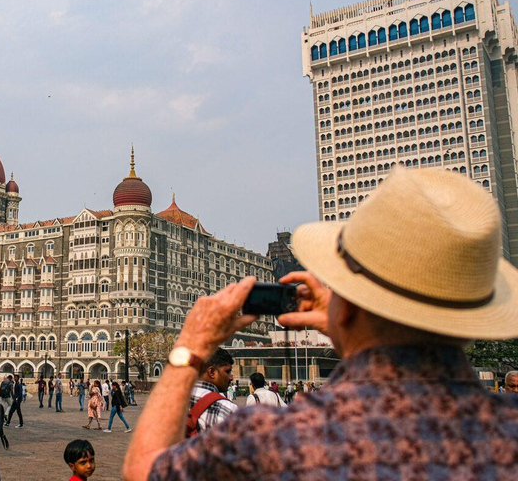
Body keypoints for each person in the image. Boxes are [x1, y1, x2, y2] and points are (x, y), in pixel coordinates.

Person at [123, 167, 518, 480]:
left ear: (345, 307)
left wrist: (189, 347)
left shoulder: (281, 440)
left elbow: (145, 469)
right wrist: (349, 321)